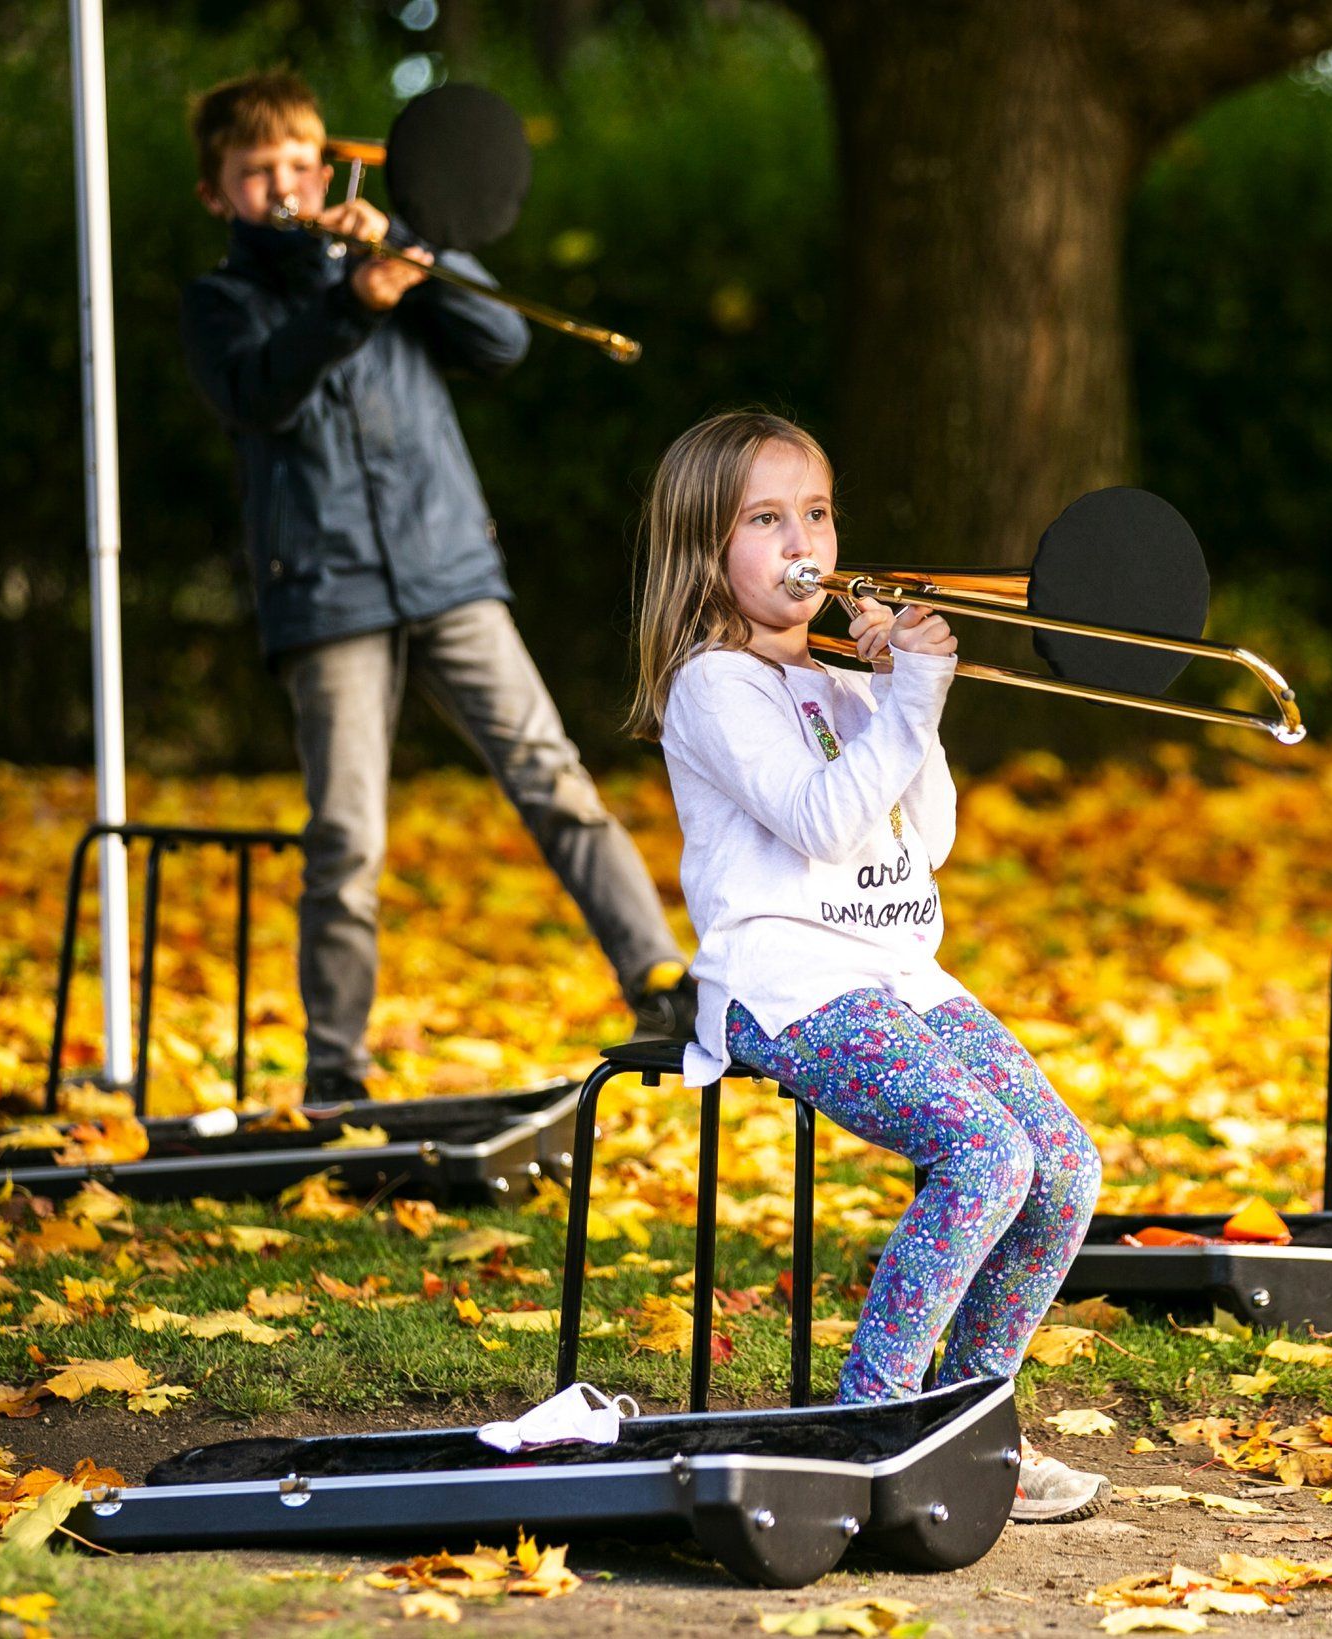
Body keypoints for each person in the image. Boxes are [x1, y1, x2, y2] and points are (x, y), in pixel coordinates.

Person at [629, 409, 1106, 1521]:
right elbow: (826, 822)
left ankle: (971, 1426)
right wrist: (914, 700)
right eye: (765, 518)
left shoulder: (845, 676)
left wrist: (902, 695)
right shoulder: (714, 685)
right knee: (985, 1156)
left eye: (817, 512)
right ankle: (875, 1428)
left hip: (896, 970)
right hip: (785, 983)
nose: (803, 538)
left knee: (1065, 1166)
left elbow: (921, 835)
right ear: (707, 548)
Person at [179, 72, 694, 1099]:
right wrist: (347, 305)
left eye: (298, 164)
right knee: (347, 836)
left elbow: (501, 341)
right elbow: (261, 394)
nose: (282, 186)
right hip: (327, 595)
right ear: (217, 194)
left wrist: (425, 248)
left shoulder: (382, 250)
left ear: (330, 166)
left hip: (449, 569)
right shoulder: (222, 301)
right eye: (255, 173)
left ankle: (663, 983)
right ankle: (336, 1070)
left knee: (552, 777)